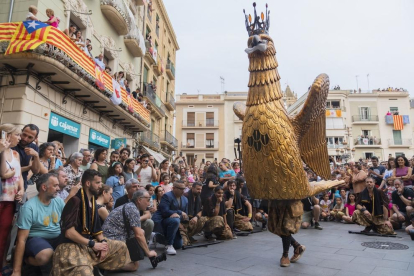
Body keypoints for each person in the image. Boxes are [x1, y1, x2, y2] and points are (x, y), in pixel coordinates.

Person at [51, 169, 133, 275]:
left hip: (88, 243)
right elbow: (69, 233)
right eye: (97, 183)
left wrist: (103, 243)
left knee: (120, 246)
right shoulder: (75, 201)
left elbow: (97, 231)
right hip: (70, 246)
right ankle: (87, 266)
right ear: (88, 183)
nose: (100, 185)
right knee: (84, 273)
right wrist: (92, 244)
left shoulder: (92, 202)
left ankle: (92, 265)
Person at [13, 173, 64, 276]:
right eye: (55, 185)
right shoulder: (29, 207)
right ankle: (26, 260)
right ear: (44, 187)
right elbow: (21, 239)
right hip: (36, 238)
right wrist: (16, 272)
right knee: (46, 255)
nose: (58, 188)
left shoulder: (59, 202)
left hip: (56, 237)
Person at [102, 190, 158, 271]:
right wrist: (148, 253)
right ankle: (105, 266)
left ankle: (112, 262)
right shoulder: (133, 209)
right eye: (148, 200)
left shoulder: (131, 206)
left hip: (113, 237)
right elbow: (138, 235)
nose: (149, 204)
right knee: (134, 266)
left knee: (141, 232)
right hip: (112, 241)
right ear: (139, 200)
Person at [0, 124, 24, 271]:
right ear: (7, 135)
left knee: (4, 235)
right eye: (17, 135)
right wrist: (2, 150)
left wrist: (21, 189)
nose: (20, 138)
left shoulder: (16, 154)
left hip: (10, 200)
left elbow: (18, 174)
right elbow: (4, 173)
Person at [152, 181, 188, 255]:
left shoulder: (185, 199)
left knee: (178, 245)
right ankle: (169, 245)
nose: (183, 191)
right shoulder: (167, 196)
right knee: (175, 220)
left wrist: (183, 220)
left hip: (176, 223)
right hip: (162, 220)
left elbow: (185, 215)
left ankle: (157, 237)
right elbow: (164, 211)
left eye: (184, 189)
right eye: (180, 189)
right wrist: (178, 212)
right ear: (174, 188)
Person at [12, 124, 42, 190]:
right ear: (21, 132)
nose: (25, 139)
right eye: (24, 135)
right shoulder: (12, 143)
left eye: (30, 137)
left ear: (35, 138)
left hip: (22, 185)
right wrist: (28, 167)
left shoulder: (34, 148)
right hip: (7, 183)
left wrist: (36, 156)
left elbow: (36, 171)